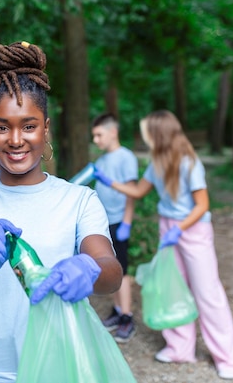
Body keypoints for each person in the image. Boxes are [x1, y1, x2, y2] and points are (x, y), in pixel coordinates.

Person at [0, 41, 123, 383]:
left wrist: (88, 268)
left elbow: (111, 274)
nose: (16, 139)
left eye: (28, 126)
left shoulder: (78, 200)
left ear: (45, 128)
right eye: (2, 127)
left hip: (61, 368)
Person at [93, 110, 233, 380]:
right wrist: (110, 182)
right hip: (168, 228)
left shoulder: (189, 163)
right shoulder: (156, 162)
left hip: (192, 230)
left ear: (159, 134)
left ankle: (230, 358)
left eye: (147, 132)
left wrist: (180, 229)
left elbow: (203, 206)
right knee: (173, 287)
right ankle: (179, 348)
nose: (144, 137)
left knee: (207, 293)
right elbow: (139, 191)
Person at [91, 113, 139, 343]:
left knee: (123, 271)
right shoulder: (101, 162)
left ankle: (127, 317)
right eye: (94, 136)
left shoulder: (125, 157)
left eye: (99, 135)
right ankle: (117, 310)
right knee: (110, 267)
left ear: (113, 132)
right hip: (103, 223)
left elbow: (132, 192)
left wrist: (127, 222)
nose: (96, 140)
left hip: (119, 221)